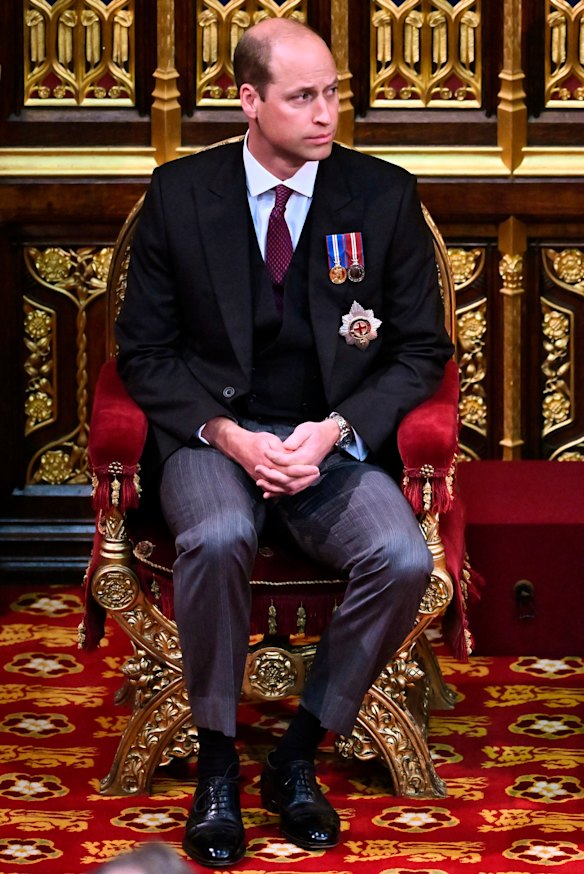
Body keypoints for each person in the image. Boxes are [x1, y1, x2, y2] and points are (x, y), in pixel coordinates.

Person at [116, 16, 454, 869]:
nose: (325, 113)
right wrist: (229, 435)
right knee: (218, 535)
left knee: (401, 557)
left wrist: (336, 430)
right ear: (249, 100)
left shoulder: (381, 195)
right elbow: (143, 353)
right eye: (302, 97)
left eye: (332, 93)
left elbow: (422, 350)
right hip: (212, 439)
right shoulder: (180, 195)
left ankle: (297, 754)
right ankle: (218, 767)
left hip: (326, 440)